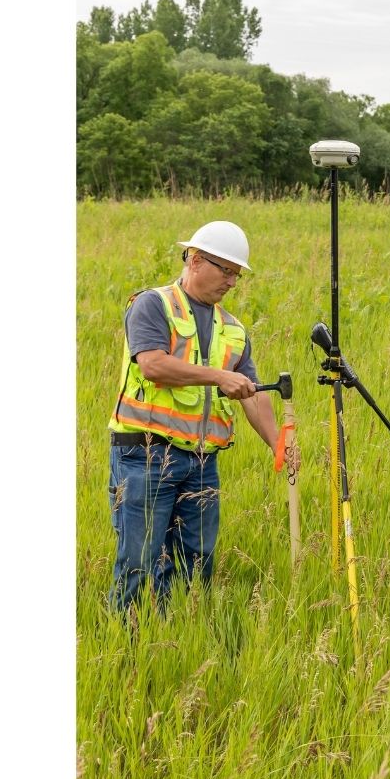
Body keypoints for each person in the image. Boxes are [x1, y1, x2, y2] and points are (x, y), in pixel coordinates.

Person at [106, 220, 299, 613]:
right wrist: (219, 377)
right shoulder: (152, 305)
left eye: (236, 274)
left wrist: (278, 443)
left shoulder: (233, 329)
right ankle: (129, 647)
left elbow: (252, 393)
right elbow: (154, 365)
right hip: (145, 457)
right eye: (225, 270)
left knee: (197, 564)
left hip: (201, 463)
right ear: (194, 260)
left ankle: (180, 638)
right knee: (141, 563)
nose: (231, 281)